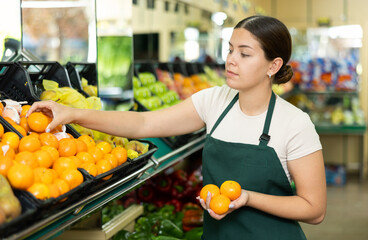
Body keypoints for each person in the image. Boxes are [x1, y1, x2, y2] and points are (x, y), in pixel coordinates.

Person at [28, 15, 326, 239]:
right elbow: (143, 122)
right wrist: (71, 113)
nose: (231, 60)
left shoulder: (294, 123)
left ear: (273, 66)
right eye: (230, 50)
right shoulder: (214, 101)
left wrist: (247, 198)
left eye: (244, 54)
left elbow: (314, 209)